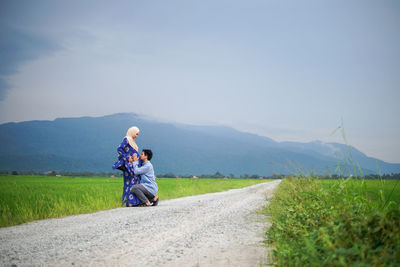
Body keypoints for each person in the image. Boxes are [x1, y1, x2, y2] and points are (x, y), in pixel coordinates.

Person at [112, 126, 141, 207]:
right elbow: (119, 149)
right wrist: (128, 158)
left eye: (137, 135)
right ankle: (127, 201)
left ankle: (135, 201)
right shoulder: (127, 139)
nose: (136, 136)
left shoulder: (132, 142)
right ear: (132, 132)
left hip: (133, 165)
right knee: (129, 183)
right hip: (128, 165)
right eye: (136, 134)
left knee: (136, 181)